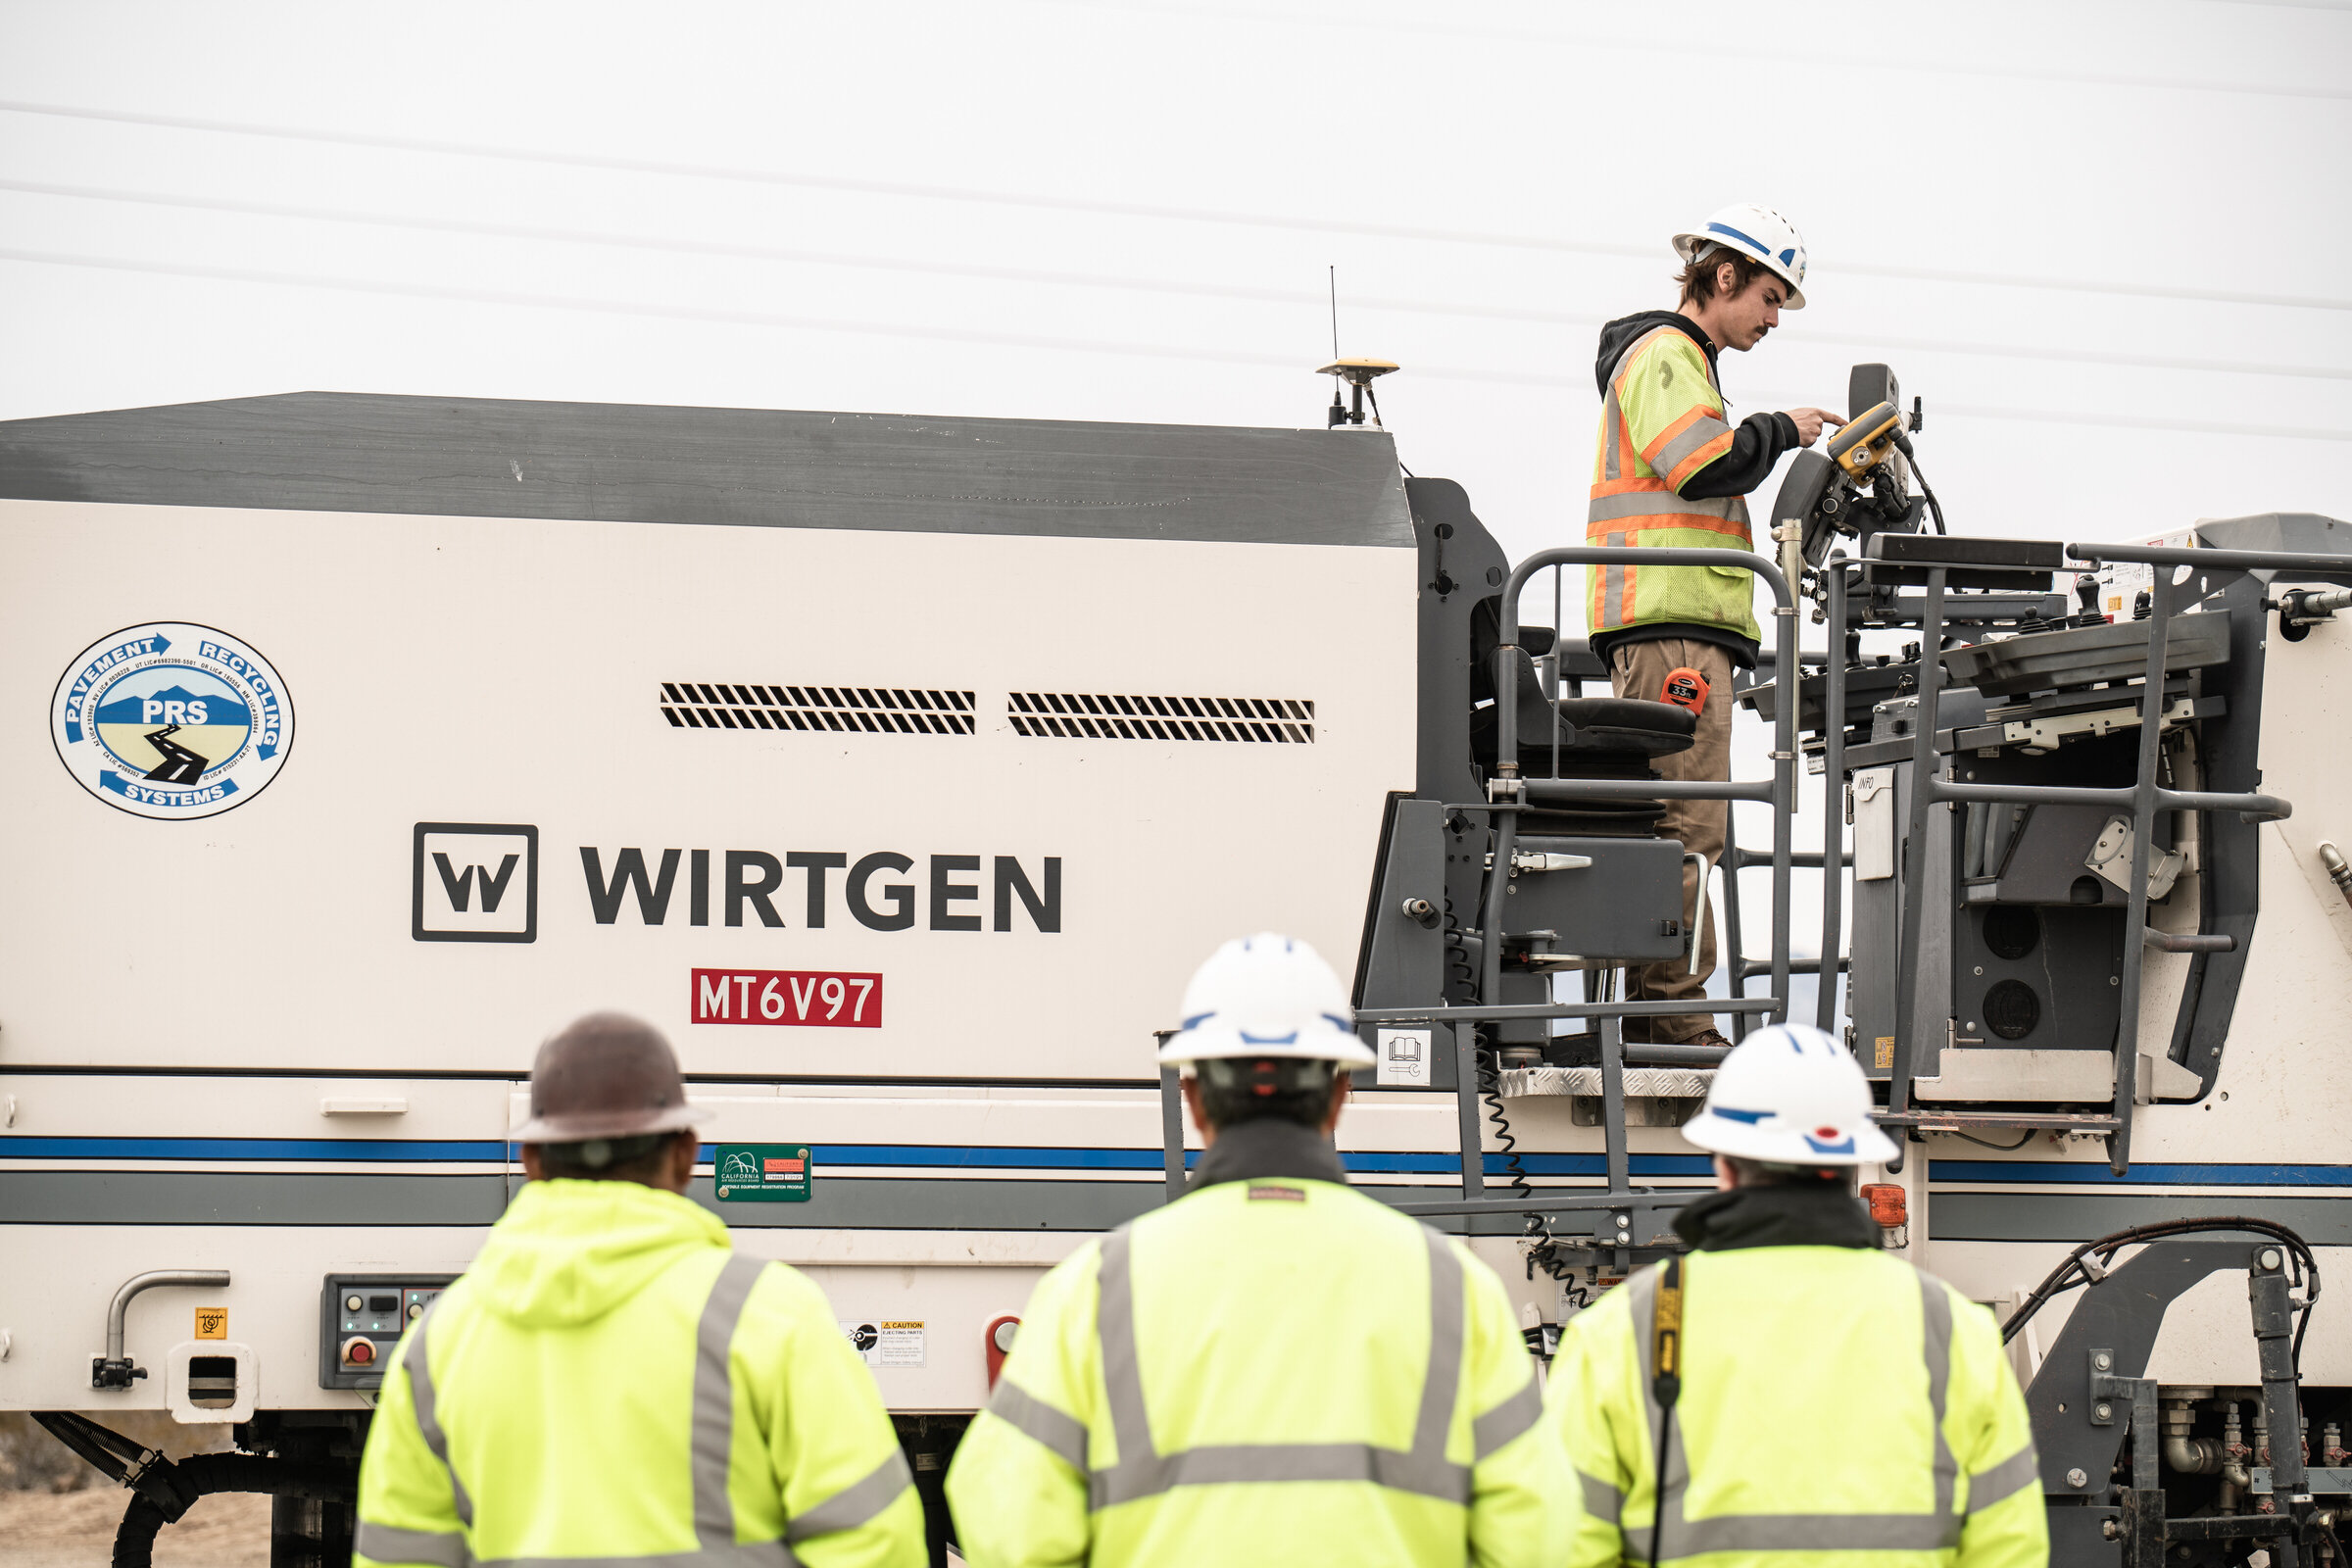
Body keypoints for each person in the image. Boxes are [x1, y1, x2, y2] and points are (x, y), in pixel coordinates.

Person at [945, 934, 1572, 1567]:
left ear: (1192, 1097)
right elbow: (1537, 1537)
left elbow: (1009, 1526)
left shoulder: (1097, 1290)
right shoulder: (1452, 1290)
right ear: (1339, 1094)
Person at [354, 1013, 925, 1568]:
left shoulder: (439, 1343)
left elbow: (398, 1556)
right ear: (685, 1154)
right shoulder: (771, 1315)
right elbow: (876, 1545)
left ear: (531, 1160)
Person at [1544, 1024, 2046, 1568]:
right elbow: (2010, 1552)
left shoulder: (1618, 1335)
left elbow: (1562, 1551)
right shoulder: (1955, 1335)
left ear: (1722, 1162)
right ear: (1848, 1163)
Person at [1588, 202, 1846, 1049]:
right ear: (1725, 276)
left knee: (1672, 822)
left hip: (1675, 621)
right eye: (1771, 298)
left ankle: (1654, 1009)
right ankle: (1675, 1017)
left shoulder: (1675, 360)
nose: (1774, 319)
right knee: (1687, 824)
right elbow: (1700, 465)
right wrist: (1782, 430)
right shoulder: (1667, 354)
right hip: (1674, 623)